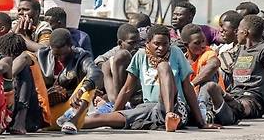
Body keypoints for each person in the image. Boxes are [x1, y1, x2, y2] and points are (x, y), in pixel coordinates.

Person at [83, 24, 215, 132]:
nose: (161, 48)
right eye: (157, 44)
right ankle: (69, 123)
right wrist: (114, 113)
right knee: (99, 118)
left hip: (177, 110)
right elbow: (127, 89)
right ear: (148, 43)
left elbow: (187, 88)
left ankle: (169, 115)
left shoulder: (176, 53)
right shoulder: (140, 56)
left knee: (163, 66)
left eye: (165, 44)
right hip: (148, 108)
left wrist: (201, 122)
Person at [198, 15, 264, 125]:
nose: (236, 33)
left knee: (241, 106)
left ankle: (226, 109)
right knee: (210, 87)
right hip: (234, 94)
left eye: (238, 30)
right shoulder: (240, 49)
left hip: (254, 99)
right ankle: (215, 107)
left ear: (245, 32)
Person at [38, 28, 102, 134]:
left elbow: (96, 73)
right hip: (45, 113)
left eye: (64, 54)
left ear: (71, 45)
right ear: (50, 48)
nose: (61, 58)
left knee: (89, 82)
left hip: (71, 109)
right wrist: (46, 95)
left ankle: (73, 121)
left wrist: (81, 90)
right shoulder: (41, 56)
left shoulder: (81, 56)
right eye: (56, 55)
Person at [0, 32, 48, 134]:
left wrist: (3, 77)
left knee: (24, 71)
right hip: (11, 112)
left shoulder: (27, 57)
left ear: (11, 54)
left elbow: (24, 57)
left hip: (34, 116)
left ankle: (20, 122)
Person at [94, 23, 141, 105]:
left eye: (138, 42)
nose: (136, 46)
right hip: (118, 96)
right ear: (120, 43)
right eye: (132, 43)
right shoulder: (117, 53)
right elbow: (99, 61)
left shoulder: (141, 54)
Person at [180, 24, 223, 91]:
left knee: (207, 70)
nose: (203, 45)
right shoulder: (182, 60)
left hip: (212, 97)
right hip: (190, 98)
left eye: (203, 41)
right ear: (186, 45)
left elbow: (214, 64)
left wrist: (192, 84)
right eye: (197, 43)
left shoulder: (207, 52)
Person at [216, 10, 243, 89]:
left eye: (224, 29)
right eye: (221, 26)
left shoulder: (245, 48)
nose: (220, 31)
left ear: (235, 31)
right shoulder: (222, 48)